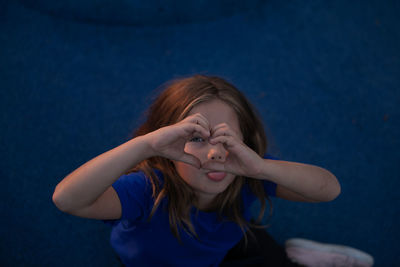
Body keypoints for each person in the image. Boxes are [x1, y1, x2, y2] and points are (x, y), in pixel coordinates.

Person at [52, 75, 373, 266]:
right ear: (166, 143)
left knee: (258, 249)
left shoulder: (245, 169)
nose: (216, 153)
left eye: (226, 138)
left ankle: (292, 256)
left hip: (224, 246)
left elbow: (329, 189)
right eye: (195, 138)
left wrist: (262, 167)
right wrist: (145, 146)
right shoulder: (147, 189)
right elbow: (68, 200)